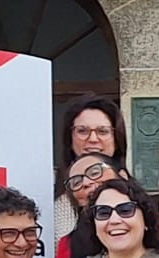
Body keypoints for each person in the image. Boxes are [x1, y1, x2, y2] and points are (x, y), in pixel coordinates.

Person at [52, 97, 127, 239]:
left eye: (102, 131)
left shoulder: (132, 190)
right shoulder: (52, 188)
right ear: (70, 137)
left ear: (116, 138)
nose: (92, 138)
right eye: (82, 131)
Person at [56, 152, 121, 258]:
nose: (86, 182)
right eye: (76, 183)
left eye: (95, 172)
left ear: (122, 175)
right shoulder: (68, 244)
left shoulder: (158, 221)